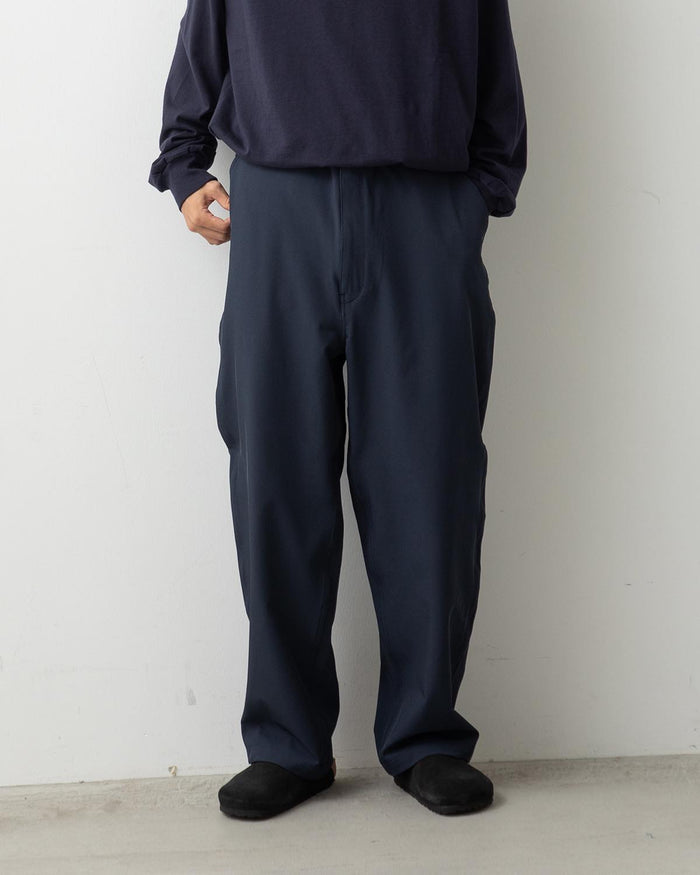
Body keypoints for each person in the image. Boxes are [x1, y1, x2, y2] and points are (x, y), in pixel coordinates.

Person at [148, 0, 526, 820]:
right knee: (275, 481)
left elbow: (492, 57)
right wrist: (184, 167)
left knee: (430, 482)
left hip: (424, 208)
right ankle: (286, 742)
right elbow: (204, 44)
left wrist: (480, 196)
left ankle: (426, 735)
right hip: (278, 205)